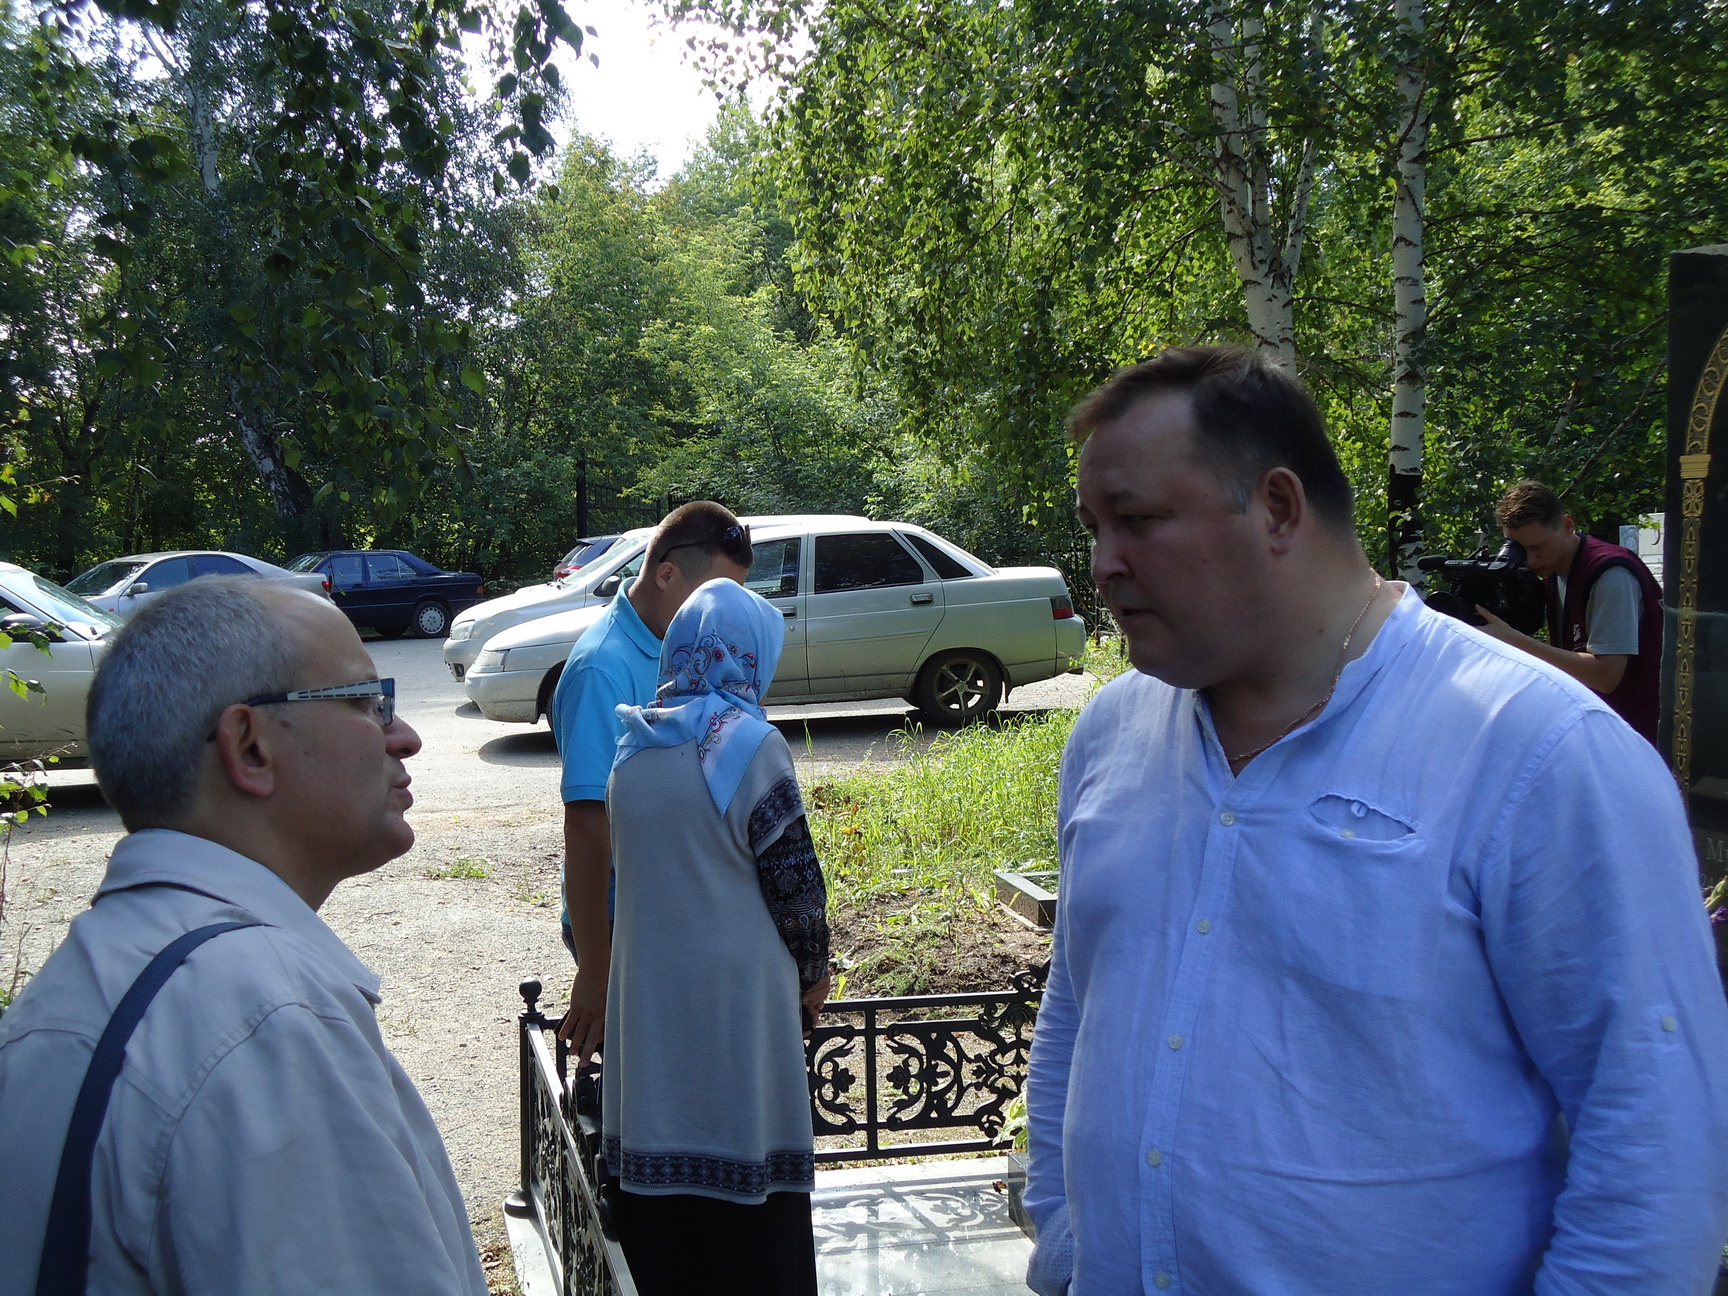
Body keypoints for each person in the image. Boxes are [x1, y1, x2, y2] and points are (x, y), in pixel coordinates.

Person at [1024, 345, 1728, 1296]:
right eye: (1094, 527)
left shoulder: (1544, 754)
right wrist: (1065, 1244)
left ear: (1279, 507)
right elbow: (1077, 1007)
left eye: (1138, 520)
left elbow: (1656, 1152)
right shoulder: (1109, 735)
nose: (1103, 564)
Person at [0, 578, 487, 1295]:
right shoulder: (266, 1017)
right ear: (251, 748)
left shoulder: (68, 992)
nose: (403, 735)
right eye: (365, 702)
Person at [601, 578, 830, 1296]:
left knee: (672, 1227)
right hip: (737, 1014)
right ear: (749, 653)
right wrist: (815, 974)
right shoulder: (750, 746)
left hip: (652, 1011)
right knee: (747, 1190)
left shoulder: (633, 745)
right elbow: (796, 888)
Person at [551, 501, 752, 1053]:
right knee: (645, 1086)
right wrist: (596, 967)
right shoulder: (603, 667)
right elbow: (588, 827)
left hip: (673, 914)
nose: (721, 614)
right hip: (625, 926)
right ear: (665, 575)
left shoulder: (685, 646)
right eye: (712, 595)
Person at [1475, 478, 1663, 744]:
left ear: (1567, 525)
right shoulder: (1556, 568)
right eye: (1518, 548)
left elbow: (1605, 676)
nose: (1529, 560)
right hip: (1602, 732)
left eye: (1536, 547)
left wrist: (1513, 641)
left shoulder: (1611, 574)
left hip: (1638, 736)